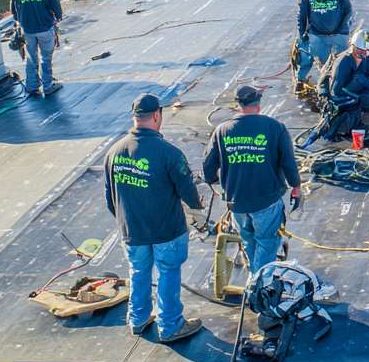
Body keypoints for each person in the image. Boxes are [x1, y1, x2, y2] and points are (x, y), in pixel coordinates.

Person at [104, 93, 204, 342]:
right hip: (165, 231)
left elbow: (110, 198)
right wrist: (196, 205)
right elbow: (188, 192)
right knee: (168, 272)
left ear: (134, 117)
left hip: (132, 231)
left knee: (138, 271)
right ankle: (169, 325)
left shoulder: (114, 152)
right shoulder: (169, 153)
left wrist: (126, 221)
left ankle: (137, 319)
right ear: (157, 115)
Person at [202, 84, 301, 275]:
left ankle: (255, 276)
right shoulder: (275, 128)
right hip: (266, 200)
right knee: (267, 241)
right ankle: (259, 284)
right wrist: (296, 186)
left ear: (238, 104)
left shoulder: (222, 130)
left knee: (248, 239)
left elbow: (208, 166)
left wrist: (216, 183)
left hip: (237, 202)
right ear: (259, 104)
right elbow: (288, 163)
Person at [306, 30, 369, 146]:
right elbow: (336, 92)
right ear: (357, 50)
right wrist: (355, 94)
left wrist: (362, 81)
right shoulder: (342, 63)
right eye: (367, 50)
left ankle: (359, 120)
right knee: (342, 121)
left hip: (355, 95)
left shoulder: (367, 60)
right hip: (342, 98)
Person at [295, 0, 354, 93]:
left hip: (338, 34)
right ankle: (313, 83)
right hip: (318, 35)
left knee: (343, 61)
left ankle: (345, 84)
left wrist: (342, 28)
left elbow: (348, 11)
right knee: (323, 63)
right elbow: (301, 17)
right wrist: (302, 35)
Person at [11, 0, 64, 97]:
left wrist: (21, 22)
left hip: (27, 30)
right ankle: (48, 86)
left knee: (31, 57)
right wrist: (58, 17)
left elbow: (14, 12)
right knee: (46, 58)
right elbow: (56, 7)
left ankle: (32, 86)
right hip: (44, 28)